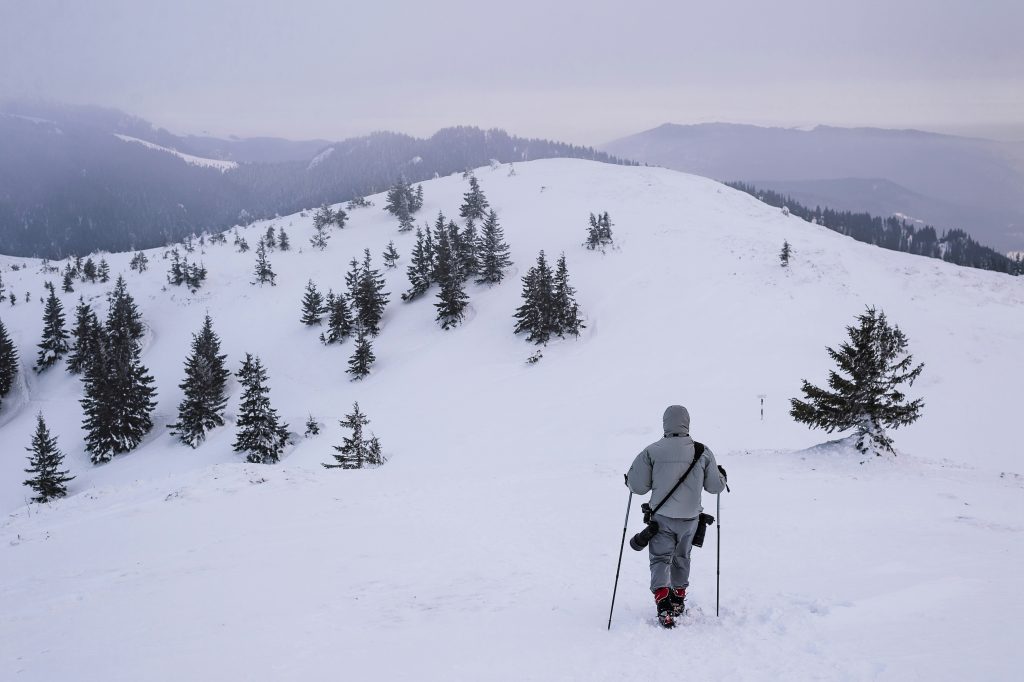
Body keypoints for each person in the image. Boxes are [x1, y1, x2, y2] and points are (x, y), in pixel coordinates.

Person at [625, 404, 727, 627]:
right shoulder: (702, 451)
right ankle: (678, 599)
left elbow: (637, 487)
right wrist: (722, 476)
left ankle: (663, 603)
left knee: (660, 558)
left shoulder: (652, 450)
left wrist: (629, 480)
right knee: (682, 556)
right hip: (690, 519)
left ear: (665, 423)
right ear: (687, 422)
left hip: (661, 517)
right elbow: (715, 487)